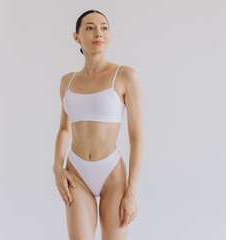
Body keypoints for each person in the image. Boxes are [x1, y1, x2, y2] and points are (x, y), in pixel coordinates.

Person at [52, 9, 143, 240]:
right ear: (77, 37)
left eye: (104, 27)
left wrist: (132, 191)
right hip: (76, 173)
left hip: (113, 174)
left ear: (109, 35)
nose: (98, 33)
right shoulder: (67, 81)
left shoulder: (125, 76)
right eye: (90, 28)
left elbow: (136, 137)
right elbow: (64, 129)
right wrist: (57, 167)